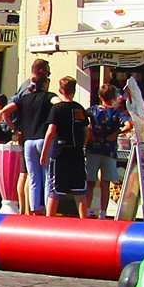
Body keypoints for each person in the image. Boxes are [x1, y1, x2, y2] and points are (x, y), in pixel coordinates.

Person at [40, 76, 91, 217]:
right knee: (79, 191)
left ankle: (49, 222)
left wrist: (44, 153)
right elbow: (86, 130)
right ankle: (84, 221)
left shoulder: (57, 109)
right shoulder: (79, 109)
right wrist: (83, 145)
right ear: (74, 91)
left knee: (54, 191)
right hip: (77, 153)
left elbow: (51, 131)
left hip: (61, 153)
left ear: (60, 90)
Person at [11, 59, 55, 215]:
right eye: (48, 74)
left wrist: (15, 128)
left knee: (30, 176)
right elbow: (57, 104)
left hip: (27, 138)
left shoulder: (24, 90)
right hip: (42, 136)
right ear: (42, 73)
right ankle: (37, 210)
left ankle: (29, 210)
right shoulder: (43, 94)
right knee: (44, 176)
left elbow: (7, 109)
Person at [84, 83, 125, 218]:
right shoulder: (117, 113)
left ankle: (88, 209)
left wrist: (89, 131)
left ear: (100, 96)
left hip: (93, 149)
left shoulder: (93, 110)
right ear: (113, 97)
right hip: (109, 150)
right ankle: (103, 212)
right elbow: (129, 125)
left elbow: (82, 120)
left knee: (90, 182)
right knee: (105, 184)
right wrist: (117, 132)